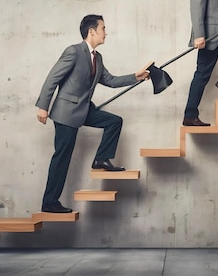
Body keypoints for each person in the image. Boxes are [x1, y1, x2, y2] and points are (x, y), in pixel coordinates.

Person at [35, 14, 150, 213]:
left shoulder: (98, 57)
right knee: (62, 157)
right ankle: (49, 202)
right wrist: (43, 106)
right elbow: (52, 79)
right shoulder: (73, 52)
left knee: (114, 122)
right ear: (91, 31)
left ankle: (101, 160)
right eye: (103, 28)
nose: (106, 32)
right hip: (66, 113)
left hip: (83, 109)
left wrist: (136, 77)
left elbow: (111, 80)